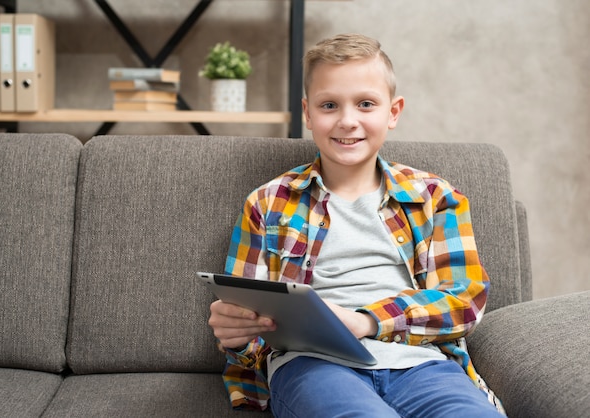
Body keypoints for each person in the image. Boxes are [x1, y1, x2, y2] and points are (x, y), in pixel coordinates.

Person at [208, 33, 505, 417]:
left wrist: (366, 321)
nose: (348, 121)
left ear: (393, 112)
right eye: (329, 105)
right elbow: (251, 332)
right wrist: (236, 335)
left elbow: (463, 301)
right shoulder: (267, 203)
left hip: (421, 363)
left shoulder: (435, 196)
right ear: (308, 113)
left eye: (366, 104)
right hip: (311, 365)